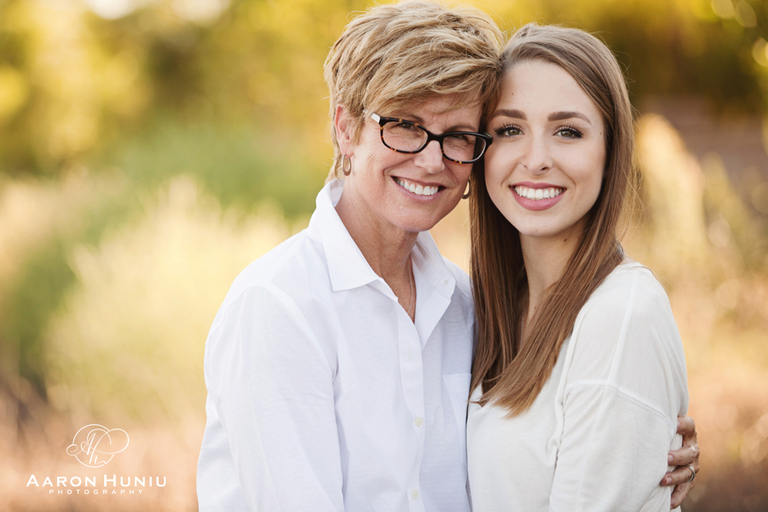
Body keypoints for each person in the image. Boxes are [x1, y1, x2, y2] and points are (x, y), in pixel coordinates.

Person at [197, 3, 699, 511]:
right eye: (405, 125)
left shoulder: (465, 306)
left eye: (458, 135)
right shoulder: (279, 308)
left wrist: (636, 433)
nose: (431, 160)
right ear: (346, 128)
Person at [467, 23, 695, 511]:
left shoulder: (621, 316)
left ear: (612, 152)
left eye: (567, 131)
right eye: (510, 130)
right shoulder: (478, 310)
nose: (536, 160)